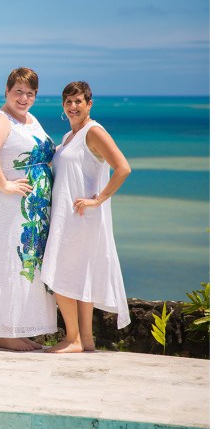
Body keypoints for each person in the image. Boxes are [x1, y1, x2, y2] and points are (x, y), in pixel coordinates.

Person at [41, 81, 132, 353]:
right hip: (69, 215)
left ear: (89, 104)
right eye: (68, 102)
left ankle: (73, 338)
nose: (73, 106)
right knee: (80, 275)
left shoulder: (93, 131)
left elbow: (123, 168)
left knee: (59, 272)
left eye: (78, 101)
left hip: (79, 216)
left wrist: (99, 199)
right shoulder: (70, 137)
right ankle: (86, 340)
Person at [0, 67, 57, 352]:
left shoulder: (30, 119)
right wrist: (4, 184)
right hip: (10, 205)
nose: (23, 98)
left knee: (28, 263)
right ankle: (5, 331)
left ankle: (20, 327)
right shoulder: (0, 120)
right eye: (18, 92)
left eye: (30, 93)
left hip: (33, 208)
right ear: (6, 92)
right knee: (10, 263)